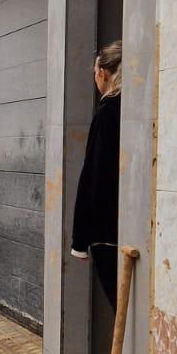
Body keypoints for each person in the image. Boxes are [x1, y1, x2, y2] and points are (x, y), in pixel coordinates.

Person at [71, 40, 122, 310]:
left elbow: (94, 175)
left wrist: (80, 239)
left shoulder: (108, 113)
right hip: (135, 228)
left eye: (94, 72)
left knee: (121, 305)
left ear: (103, 72)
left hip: (107, 233)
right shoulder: (138, 109)